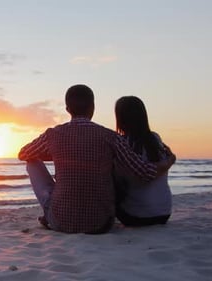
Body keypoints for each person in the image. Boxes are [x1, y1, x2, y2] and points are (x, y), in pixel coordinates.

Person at [18, 84, 175, 234]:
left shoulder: (53, 134)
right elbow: (145, 172)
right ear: (93, 108)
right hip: (102, 224)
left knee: (32, 162)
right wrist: (169, 161)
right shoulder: (111, 137)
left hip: (61, 222)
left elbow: (23, 154)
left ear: (67, 109)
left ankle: (49, 214)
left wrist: (59, 153)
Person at [113, 96, 172, 226]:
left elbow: (141, 175)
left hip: (135, 216)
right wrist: (171, 160)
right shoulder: (155, 138)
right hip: (164, 213)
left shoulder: (121, 143)